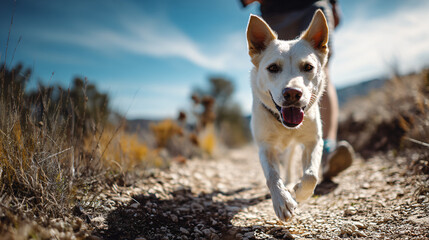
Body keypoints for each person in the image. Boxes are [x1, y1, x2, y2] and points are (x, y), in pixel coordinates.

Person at [241, 0, 354, 181]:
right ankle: (277, 145)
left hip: (314, 5)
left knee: (320, 70)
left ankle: (326, 149)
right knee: (276, 71)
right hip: (276, 13)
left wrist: (334, 4)